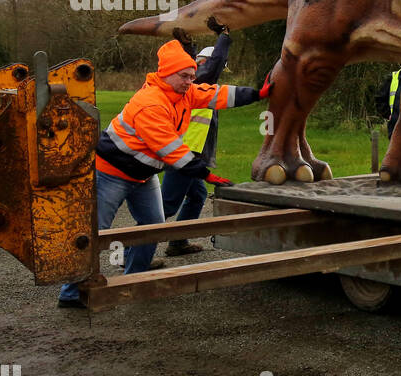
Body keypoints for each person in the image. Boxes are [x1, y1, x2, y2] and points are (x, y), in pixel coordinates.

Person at [57, 40, 267, 308]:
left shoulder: (184, 93)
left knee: (153, 226)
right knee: (96, 231)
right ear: (166, 73)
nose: (190, 81)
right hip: (110, 173)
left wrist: (258, 93)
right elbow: (172, 150)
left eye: (192, 76)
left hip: (144, 175)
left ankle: (134, 280)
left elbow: (216, 94)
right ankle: (71, 293)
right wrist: (206, 174)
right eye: (184, 76)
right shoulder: (150, 103)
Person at [162, 27, 232, 256]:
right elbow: (215, 63)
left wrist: (187, 44)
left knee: (197, 195)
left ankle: (178, 242)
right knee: (166, 205)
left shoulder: (195, 82)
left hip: (192, 153)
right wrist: (225, 36)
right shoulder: (199, 80)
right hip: (183, 153)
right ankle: (132, 251)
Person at [375, 68, 401, 140]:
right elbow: (380, 99)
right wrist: (388, 115)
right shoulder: (393, 78)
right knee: (397, 150)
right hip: (395, 126)